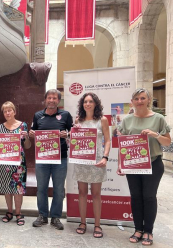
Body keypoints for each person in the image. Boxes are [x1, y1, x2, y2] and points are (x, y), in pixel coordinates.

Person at [117, 88, 171, 246]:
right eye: (136, 98)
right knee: (135, 197)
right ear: (132, 101)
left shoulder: (158, 118)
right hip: (133, 164)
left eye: (142, 98)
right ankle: (138, 229)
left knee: (149, 196)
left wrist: (155, 135)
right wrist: (121, 164)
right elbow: (124, 145)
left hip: (153, 163)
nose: (139, 101)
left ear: (149, 100)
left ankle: (148, 231)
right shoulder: (127, 120)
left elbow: (167, 142)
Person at [29, 89, 73, 230]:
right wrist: (31, 134)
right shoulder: (38, 115)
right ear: (45, 99)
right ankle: (42, 216)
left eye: (55, 98)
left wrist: (67, 134)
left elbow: (73, 134)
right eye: (49, 98)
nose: (52, 100)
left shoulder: (65, 115)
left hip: (60, 159)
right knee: (41, 188)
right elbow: (33, 133)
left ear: (58, 101)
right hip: (42, 158)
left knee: (59, 189)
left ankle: (55, 217)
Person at [73, 93, 110, 238]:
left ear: (95, 104)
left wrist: (105, 157)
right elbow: (75, 141)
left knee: (96, 194)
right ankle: (82, 222)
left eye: (90, 101)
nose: (87, 104)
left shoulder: (102, 120)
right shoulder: (78, 120)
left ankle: (97, 225)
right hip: (81, 161)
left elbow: (108, 141)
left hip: (97, 162)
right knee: (82, 193)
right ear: (82, 104)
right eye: (85, 101)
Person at [0, 101, 31, 225]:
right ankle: (9, 211)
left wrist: (27, 138)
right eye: (5, 111)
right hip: (5, 162)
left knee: (18, 188)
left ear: (14, 111)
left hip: (19, 162)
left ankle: (18, 213)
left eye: (9, 110)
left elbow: (28, 146)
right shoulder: (0, 127)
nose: (7, 113)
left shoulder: (23, 125)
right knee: (7, 187)